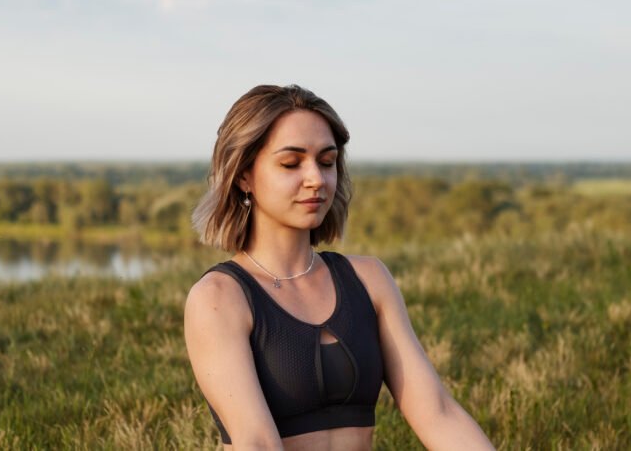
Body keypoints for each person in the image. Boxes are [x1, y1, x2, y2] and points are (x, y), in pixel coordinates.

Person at [184, 84, 495, 450]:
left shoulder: (368, 279)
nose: (316, 178)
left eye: (327, 162)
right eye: (291, 163)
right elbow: (257, 443)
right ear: (244, 176)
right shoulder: (219, 298)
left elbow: (437, 412)